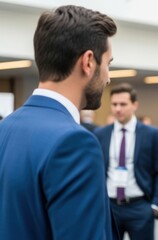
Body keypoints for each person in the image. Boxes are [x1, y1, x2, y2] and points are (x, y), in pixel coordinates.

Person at [0, 5, 117, 239]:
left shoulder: (5, 128)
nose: (108, 77)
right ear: (88, 62)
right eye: (108, 64)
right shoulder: (75, 142)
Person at [94, 83, 158, 240]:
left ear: (135, 105)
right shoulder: (101, 134)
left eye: (123, 104)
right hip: (110, 206)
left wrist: (155, 206)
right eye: (114, 104)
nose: (118, 109)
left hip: (140, 206)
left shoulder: (150, 133)